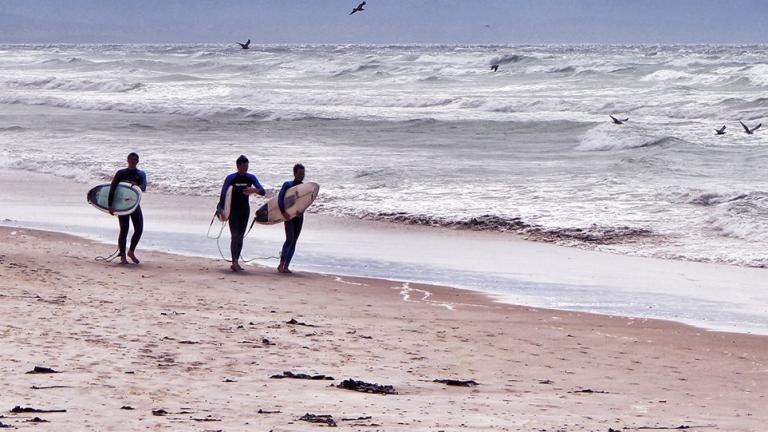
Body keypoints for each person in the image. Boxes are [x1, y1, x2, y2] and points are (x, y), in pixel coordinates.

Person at [217, 155, 265, 271]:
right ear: (238, 166)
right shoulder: (231, 178)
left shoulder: (250, 177)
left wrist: (254, 190)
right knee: (235, 236)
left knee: (240, 237)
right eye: (244, 166)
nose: (246, 168)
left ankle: (237, 261)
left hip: (244, 210)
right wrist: (221, 210)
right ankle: (234, 262)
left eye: (247, 166)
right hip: (233, 211)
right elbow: (223, 195)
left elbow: (263, 191)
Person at [108, 152, 147, 264]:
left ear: (138, 161)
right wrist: (110, 205)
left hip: (134, 205)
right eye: (131, 159)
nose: (133, 161)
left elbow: (143, 188)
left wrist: (136, 185)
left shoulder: (141, 174)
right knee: (124, 230)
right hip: (122, 206)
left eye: (135, 159)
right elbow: (113, 188)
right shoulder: (121, 173)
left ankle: (131, 251)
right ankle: (123, 255)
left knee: (139, 229)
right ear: (127, 160)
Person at [277, 163, 305, 273]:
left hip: (299, 216)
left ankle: (286, 266)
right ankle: (281, 264)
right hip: (288, 216)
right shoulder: (287, 185)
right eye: (299, 173)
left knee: (294, 241)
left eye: (303, 174)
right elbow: (280, 198)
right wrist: (283, 212)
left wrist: (301, 211)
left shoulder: (304, 187)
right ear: (294, 173)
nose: (301, 176)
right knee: (289, 239)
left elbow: (305, 202)